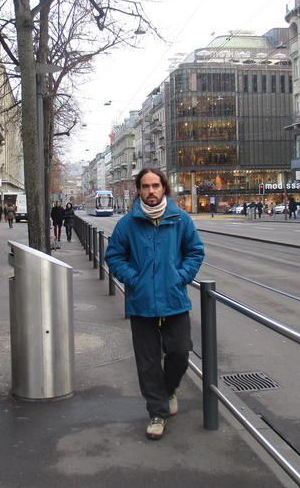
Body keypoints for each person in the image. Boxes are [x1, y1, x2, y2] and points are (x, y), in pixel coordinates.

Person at [105, 168, 205, 441]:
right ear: (139, 190)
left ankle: (168, 389)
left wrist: (180, 277)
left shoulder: (180, 219)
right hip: (141, 303)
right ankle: (157, 413)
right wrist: (133, 279)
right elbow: (114, 256)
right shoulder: (128, 223)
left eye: (155, 185)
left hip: (174, 301)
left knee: (180, 353)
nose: (151, 191)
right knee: (148, 362)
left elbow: (195, 251)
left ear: (164, 188)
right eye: (146, 186)